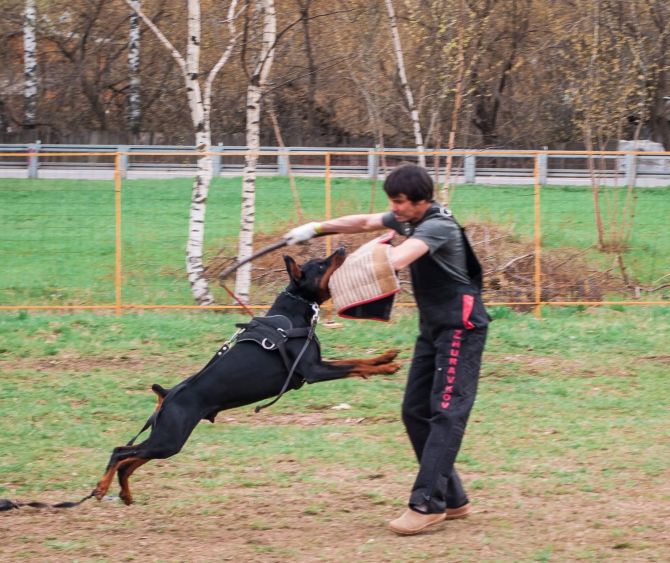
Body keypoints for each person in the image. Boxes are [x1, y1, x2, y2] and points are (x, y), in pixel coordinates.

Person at [283, 163, 489, 535]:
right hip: (433, 327)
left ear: (421, 200)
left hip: (461, 326)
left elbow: (396, 260)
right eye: (392, 202)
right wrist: (316, 228)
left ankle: (427, 505)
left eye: (400, 202)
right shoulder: (408, 218)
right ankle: (453, 499)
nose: (394, 209)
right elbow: (364, 222)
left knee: (446, 412)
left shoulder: (437, 226)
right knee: (414, 411)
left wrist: (335, 273)